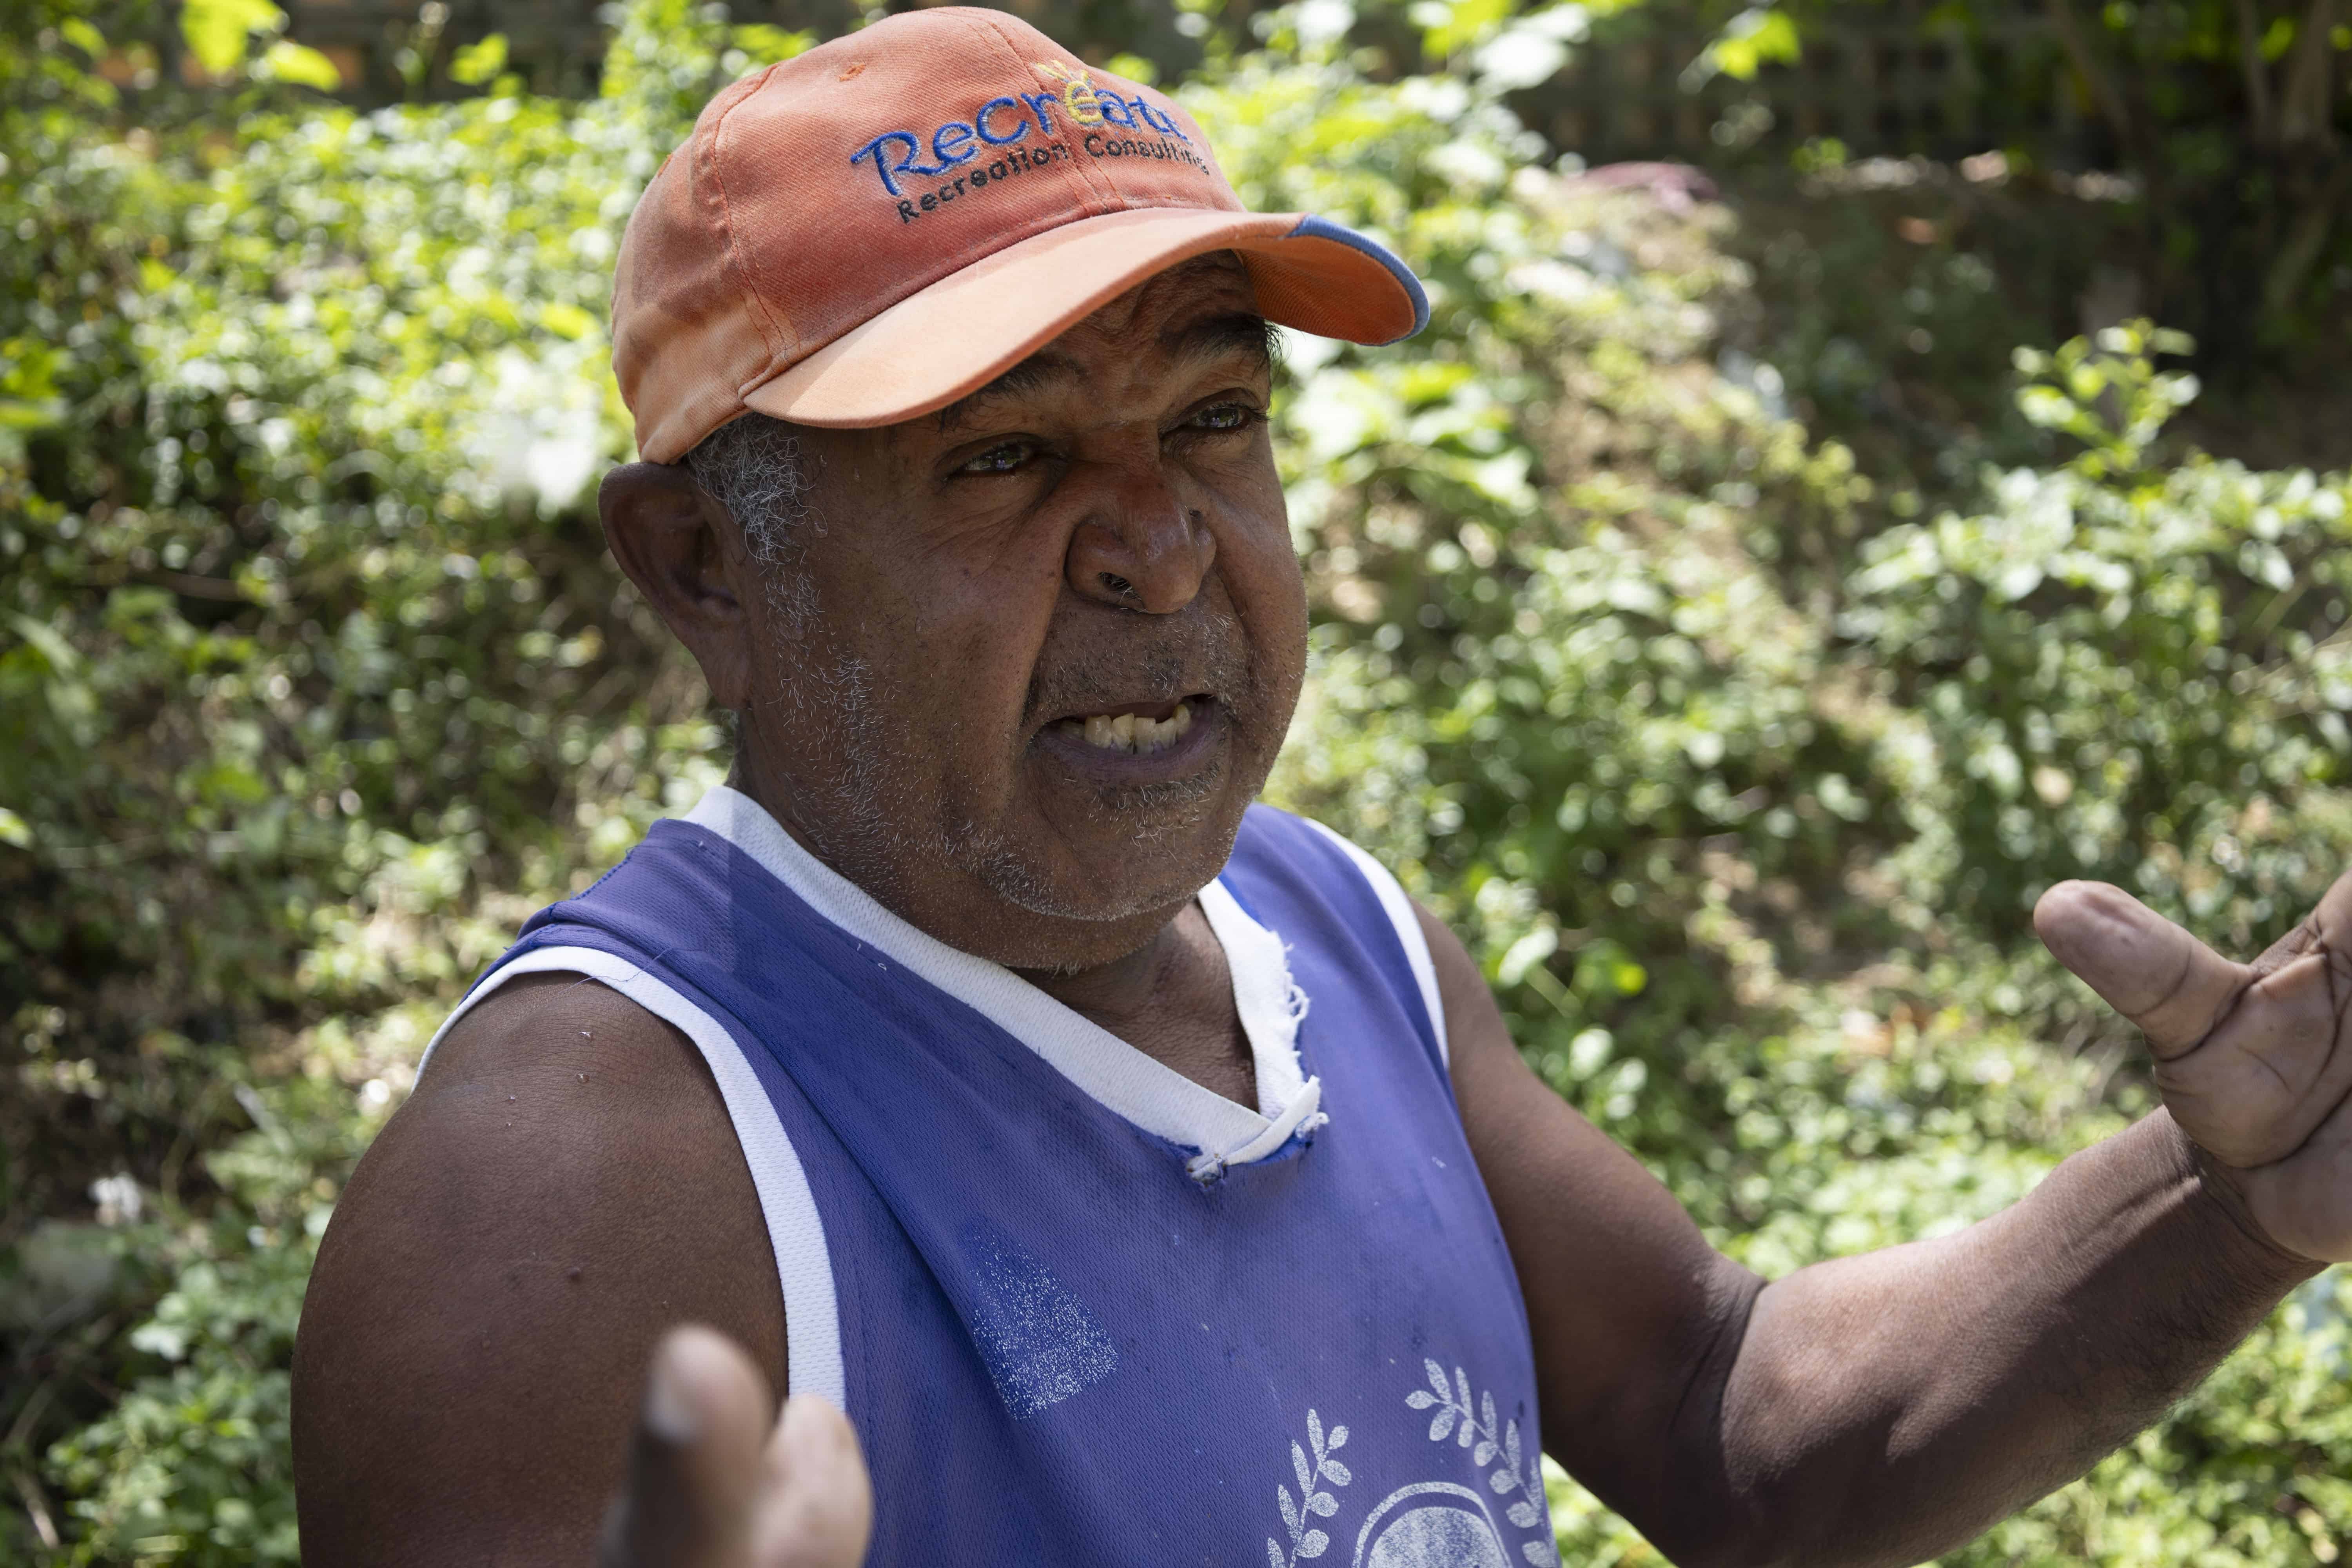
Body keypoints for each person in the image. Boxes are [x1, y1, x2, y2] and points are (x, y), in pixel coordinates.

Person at [290, 9, 2352, 1565]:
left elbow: (1721, 1410)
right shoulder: (569, 1208)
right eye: (1002, 456)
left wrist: (2227, 1205)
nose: (1161, 543)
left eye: (1210, 418)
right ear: (706, 572)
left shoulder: (1329, 934)